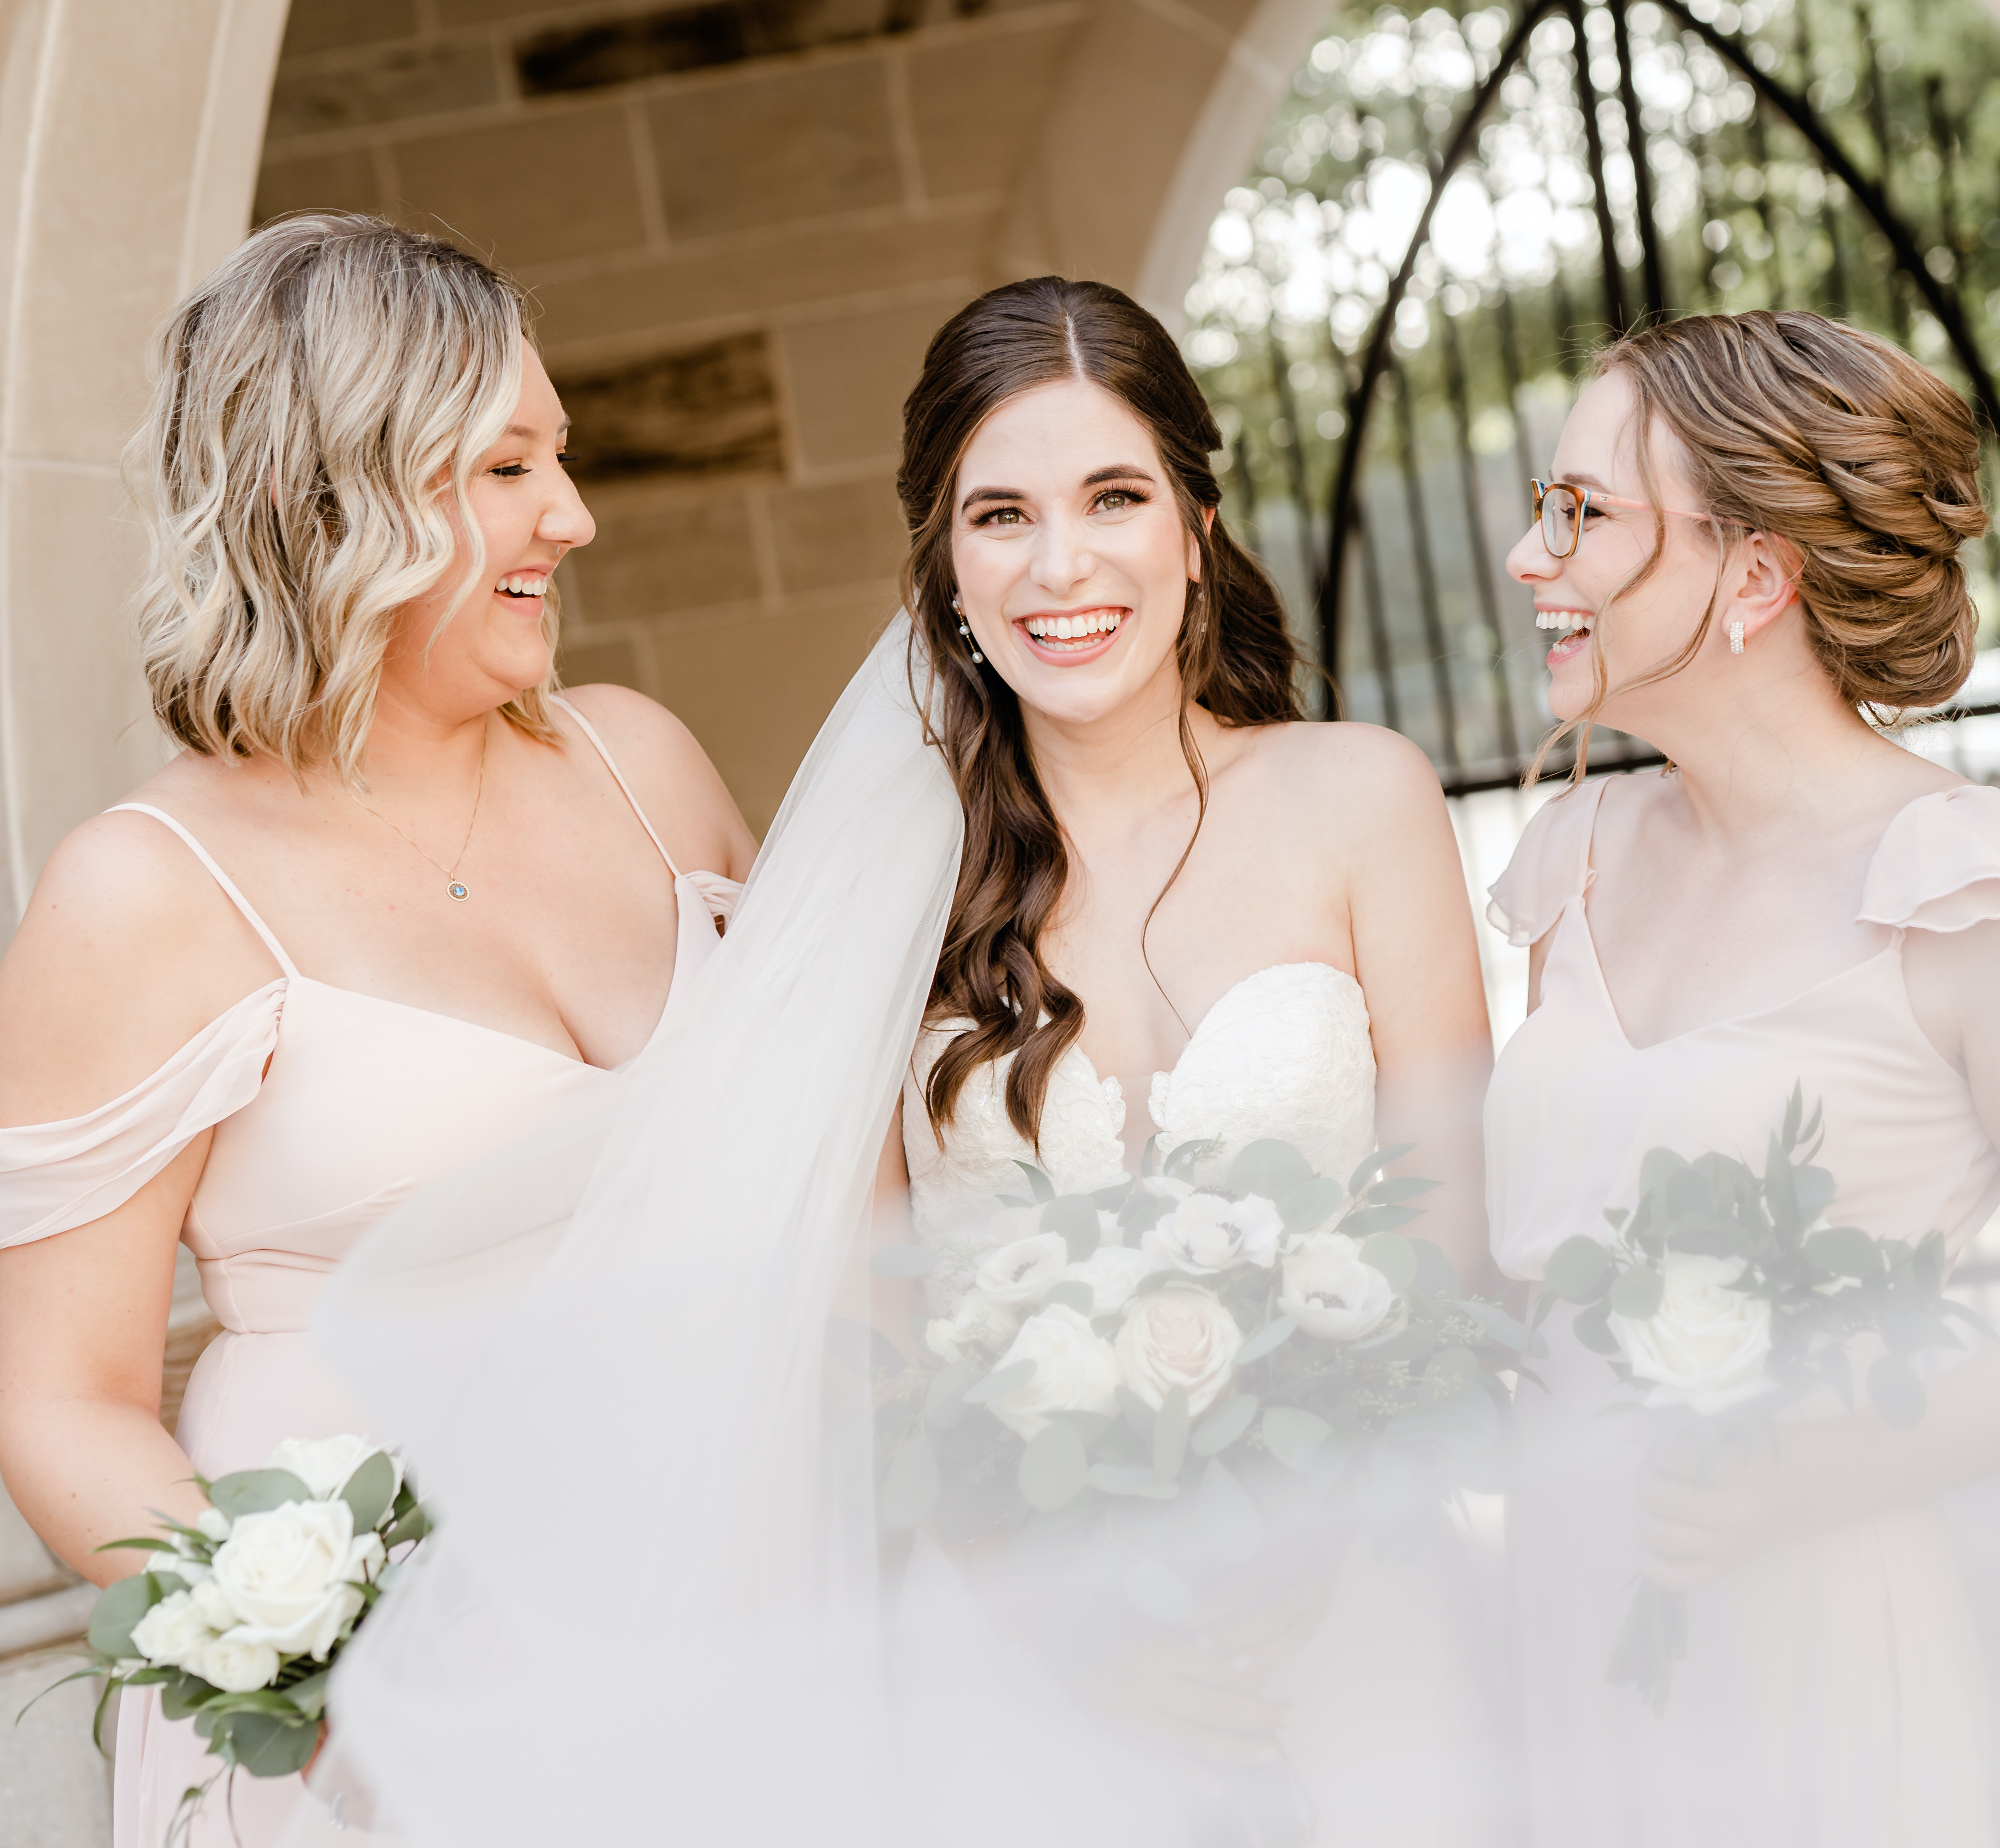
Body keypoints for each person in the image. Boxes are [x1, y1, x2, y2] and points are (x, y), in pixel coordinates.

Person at [304, 278, 1503, 1848]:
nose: (1059, 564)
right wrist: (1083, 1630)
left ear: (1196, 528)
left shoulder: (1362, 802)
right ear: (942, 565)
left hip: (1359, 1603)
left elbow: (1448, 1244)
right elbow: (873, 1336)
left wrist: (1298, 1565)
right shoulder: (889, 894)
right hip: (1027, 1658)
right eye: (999, 513)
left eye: (1113, 497)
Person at [0, 213, 755, 1848]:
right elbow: (66, 1401)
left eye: (557, 458)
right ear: (320, 497)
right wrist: (337, 1695)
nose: (574, 515)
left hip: (731, 1611)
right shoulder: (143, 891)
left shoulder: (647, 765)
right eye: (503, 469)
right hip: (383, 1731)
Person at [1482, 310, 2000, 1846]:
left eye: (1584, 516)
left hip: (1802, 1611)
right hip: (1554, 1604)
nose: (1535, 558)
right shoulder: (1571, 863)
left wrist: (1809, 1469)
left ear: (1754, 574)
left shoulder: (1977, 893)